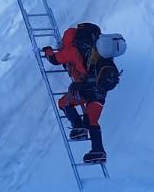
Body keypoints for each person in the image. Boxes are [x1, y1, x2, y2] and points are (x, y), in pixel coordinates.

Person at [42, 22, 120, 165]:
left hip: (85, 90)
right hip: (101, 92)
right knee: (92, 120)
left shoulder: (73, 50)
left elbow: (54, 60)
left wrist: (47, 51)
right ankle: (98, 151)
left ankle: (79, 127)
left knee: (64, 103)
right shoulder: (100, 51)